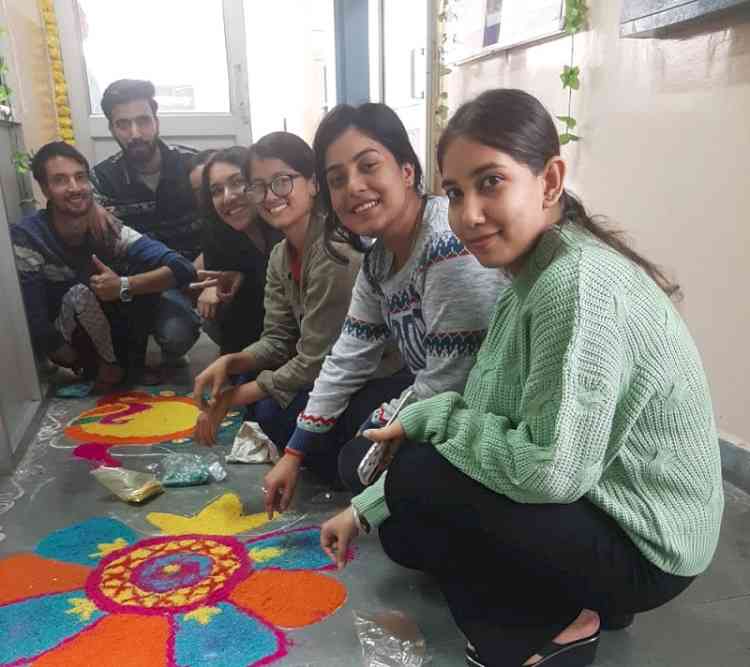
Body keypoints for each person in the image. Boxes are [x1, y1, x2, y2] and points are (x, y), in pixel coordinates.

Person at [320, 89, 724, 667]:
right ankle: (578, 597)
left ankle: (556, 628)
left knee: (418, 474)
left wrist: (427, 421)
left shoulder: (575, 284)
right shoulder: (529, 280)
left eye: (491, 182)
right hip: (598, 503)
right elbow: (488, 412)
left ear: (550, 181)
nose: (469, 215)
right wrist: (361, 510)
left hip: (651, 545)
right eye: (456, 193)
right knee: (406, 527)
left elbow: (550, 471)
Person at [262, 102, 506, 518]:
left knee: (363, 469)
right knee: (296, 424)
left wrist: (380, 432)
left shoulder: (446, 246)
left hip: (480, 415)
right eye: (337, 179)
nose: (353, 187)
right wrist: (293, 453)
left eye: (368, 166)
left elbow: (452, 383)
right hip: (430, 394)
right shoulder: (377, 261)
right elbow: (347, 357)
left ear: (407, 170)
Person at [192, 131, 403, 456]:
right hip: (328, 373)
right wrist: (229, 362)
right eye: (258, 186)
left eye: (282, 181)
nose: (269, 195)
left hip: (375, 377)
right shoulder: (280, 254)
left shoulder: (335, 253)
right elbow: (277, 339)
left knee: (276, 413)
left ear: (314, 184)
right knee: (265, 402)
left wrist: (231, 399)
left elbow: (317, 361)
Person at [13, 141, 201, 386]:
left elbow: (182, 267)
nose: (75, 188)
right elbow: (35, 322)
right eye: (60, 180)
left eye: (80, 177)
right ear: (45, 189)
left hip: (106, 336)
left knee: (134, 273)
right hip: (62, 342)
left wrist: (125, 285)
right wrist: (84, 365)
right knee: (78, 293)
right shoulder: (28, 237)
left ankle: (127, 365)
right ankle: (106, 368)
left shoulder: (108, 229)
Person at [91, 79, 201, 366]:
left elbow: (222, 230)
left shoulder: (192, 166)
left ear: (156, 121)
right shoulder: (102, 179)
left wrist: (191, 277)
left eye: (143, 121)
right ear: (112, 129)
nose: (135, 133)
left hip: (195, 275)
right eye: (123, 124)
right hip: (138, 287)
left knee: (176, 336)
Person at [196, 146, 283, 355]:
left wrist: (245, 277)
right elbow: (233, 318)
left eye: (237, 182)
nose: (227, 197)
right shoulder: (217, 232)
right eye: (216, 190)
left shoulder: (285, 221)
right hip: (256, 334)